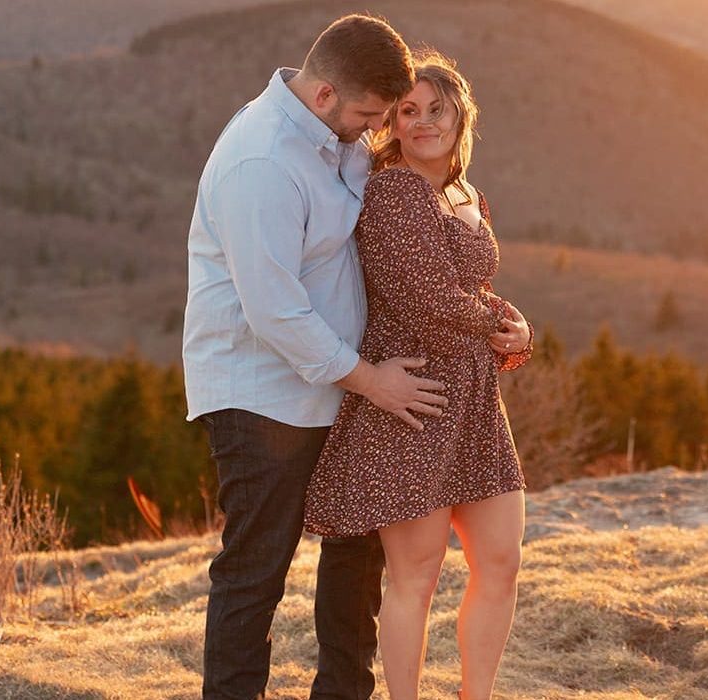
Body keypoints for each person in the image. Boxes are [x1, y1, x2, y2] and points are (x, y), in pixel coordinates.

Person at [182, 14, 506, 700]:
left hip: (350, 386)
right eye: (370, 114)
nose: (377, 129)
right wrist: (371, 381)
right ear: (326, 94)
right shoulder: (262, 159)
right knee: (257, 570)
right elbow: (274, 309)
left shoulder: (335, 137)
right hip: (262, 393)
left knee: (355, 564)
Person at [303, 51, 534, 700]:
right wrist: (500, 324)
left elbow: (475, 290)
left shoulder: (464, 195)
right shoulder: (395, 190)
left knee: (502, 562)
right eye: (410, 111)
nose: (425, 121)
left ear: (463, 118)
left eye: (438, 109)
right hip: (415, 400)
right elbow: (430, 301)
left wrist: (517, 333)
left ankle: (474, 695)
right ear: (394, 125)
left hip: (477, 405)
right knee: (416, 577)